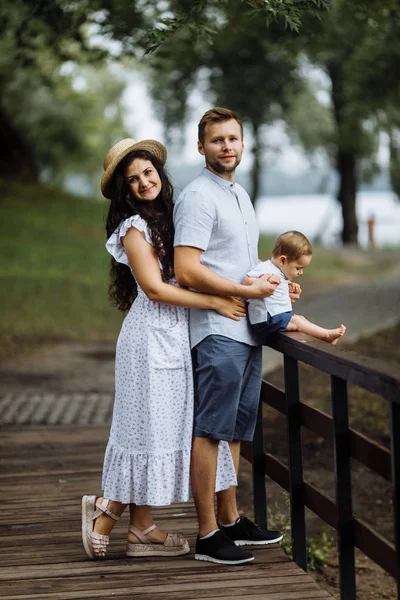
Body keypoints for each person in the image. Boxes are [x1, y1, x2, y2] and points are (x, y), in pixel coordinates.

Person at [81, 137, 249, 560]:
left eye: (148, 173)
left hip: (175, 336)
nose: (143, 182)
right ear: (124, 191)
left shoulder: (170, 218)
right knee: (147, 429)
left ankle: (142, 528)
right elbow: (155, 290)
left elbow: (205, 265)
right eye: (133, 180)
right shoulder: (133, 228)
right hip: (149, 339)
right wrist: (214, 302)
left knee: (163, 428)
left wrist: (271, 284)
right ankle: (107, 511)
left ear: (160, 173)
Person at [173, 107, 297, 565]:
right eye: (217, 139)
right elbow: (187, 268)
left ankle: (231, 520)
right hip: (217, 332)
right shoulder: (198, 197)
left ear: (243, 144)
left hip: (247, 332)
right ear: (201, 146)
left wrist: (278, 283)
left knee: (238, 429)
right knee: (210, 430)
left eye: (233, 139)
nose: (226, 146)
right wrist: (244, 290)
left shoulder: (239, 195)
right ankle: (207, 534)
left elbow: (242, 265)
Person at [245, 230, 346, 345]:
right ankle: (326, 335)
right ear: (282, 260)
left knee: (300, 319)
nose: (300, 272)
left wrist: (290, 287)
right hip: (265, 319)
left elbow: (279, 289)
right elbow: (246, 281)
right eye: (298, 268)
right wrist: (260, 282)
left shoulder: (280, 272)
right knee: (297, 321)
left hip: (274, 317)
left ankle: (326, 337)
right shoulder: (264, 268)